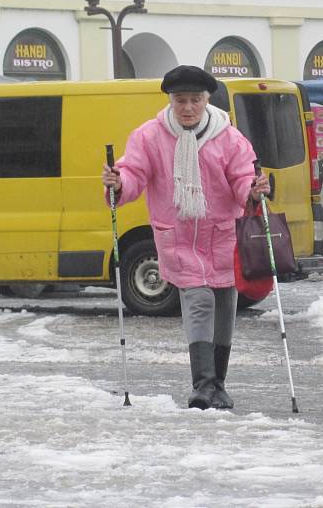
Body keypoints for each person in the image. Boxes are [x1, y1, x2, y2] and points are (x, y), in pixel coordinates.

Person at [102, 65, 270, 410]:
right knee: (198, 303)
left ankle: (218, 384)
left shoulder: (229, 137)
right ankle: (203, 385)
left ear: (207, 101)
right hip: (178, 238)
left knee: (225, 307)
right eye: (181, 100)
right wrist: (119, 183)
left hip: (223, 236)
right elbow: (133, 172)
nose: (188, 107)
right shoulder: (150, 136)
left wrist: (253, 191)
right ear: (170, 101)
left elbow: (242, 179)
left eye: (195, 100)